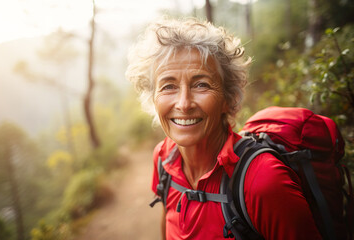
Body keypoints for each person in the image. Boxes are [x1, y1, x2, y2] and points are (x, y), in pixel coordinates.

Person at [126, 17, 322, 240]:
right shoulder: (163, 157)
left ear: (228, 99)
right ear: (153, 99)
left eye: (201, 84)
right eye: (168, 86)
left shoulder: (264, 182)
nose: (183, 103)